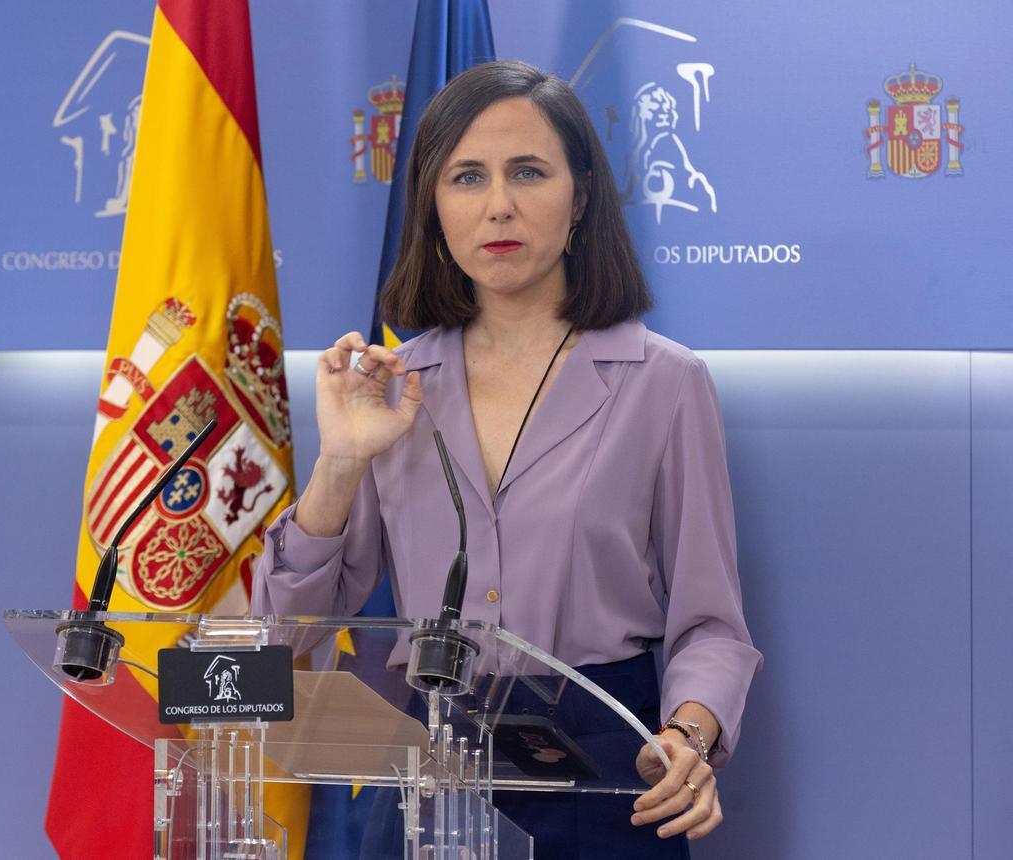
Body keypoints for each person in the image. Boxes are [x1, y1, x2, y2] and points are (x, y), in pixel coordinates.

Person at [251, 60, 761, 857]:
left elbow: (712, 626)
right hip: (428, 765)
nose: (498, 205)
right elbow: (278, 639)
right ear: (433, 205)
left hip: (604, 767)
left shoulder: (664, 383)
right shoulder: (392, 386)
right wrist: (341, 462)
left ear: (580, 197)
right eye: (467, 177)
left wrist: (689, 734)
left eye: (528, 172)